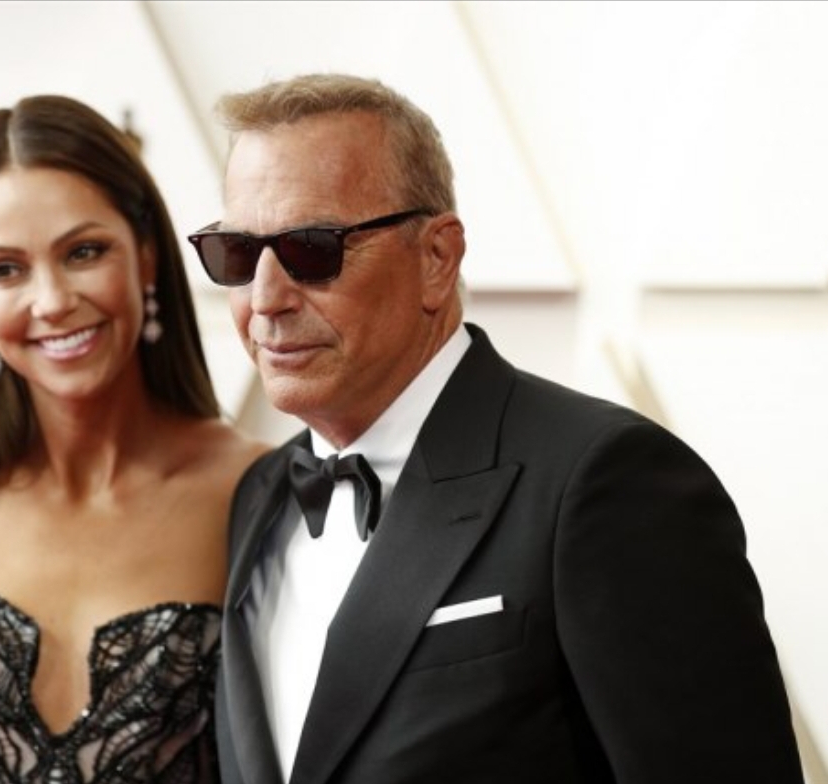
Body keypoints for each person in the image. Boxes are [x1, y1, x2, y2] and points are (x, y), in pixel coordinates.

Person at [186, 73, 805, 784]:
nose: (265, 299)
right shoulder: (259, 496)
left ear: (436, 259)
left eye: (311, 248)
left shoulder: (604, 481)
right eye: (237, 255)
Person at [0, 94, 267, 783]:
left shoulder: (255, 495)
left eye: (83, 252)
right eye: (4, 269)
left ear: (146, 255)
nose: (51, 301)